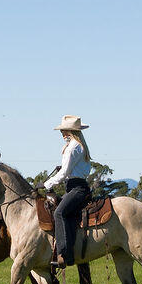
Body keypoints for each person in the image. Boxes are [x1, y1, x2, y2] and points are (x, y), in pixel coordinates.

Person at [44, 114, 93, 268]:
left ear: (71, 131)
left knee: (59, 213)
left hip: (77, 188)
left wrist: (46, 184)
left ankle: (63, 254)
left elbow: (65, 172)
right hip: (77, 186)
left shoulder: (73, 147)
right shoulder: (78, 145)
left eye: (64, 130)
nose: (62, 133)